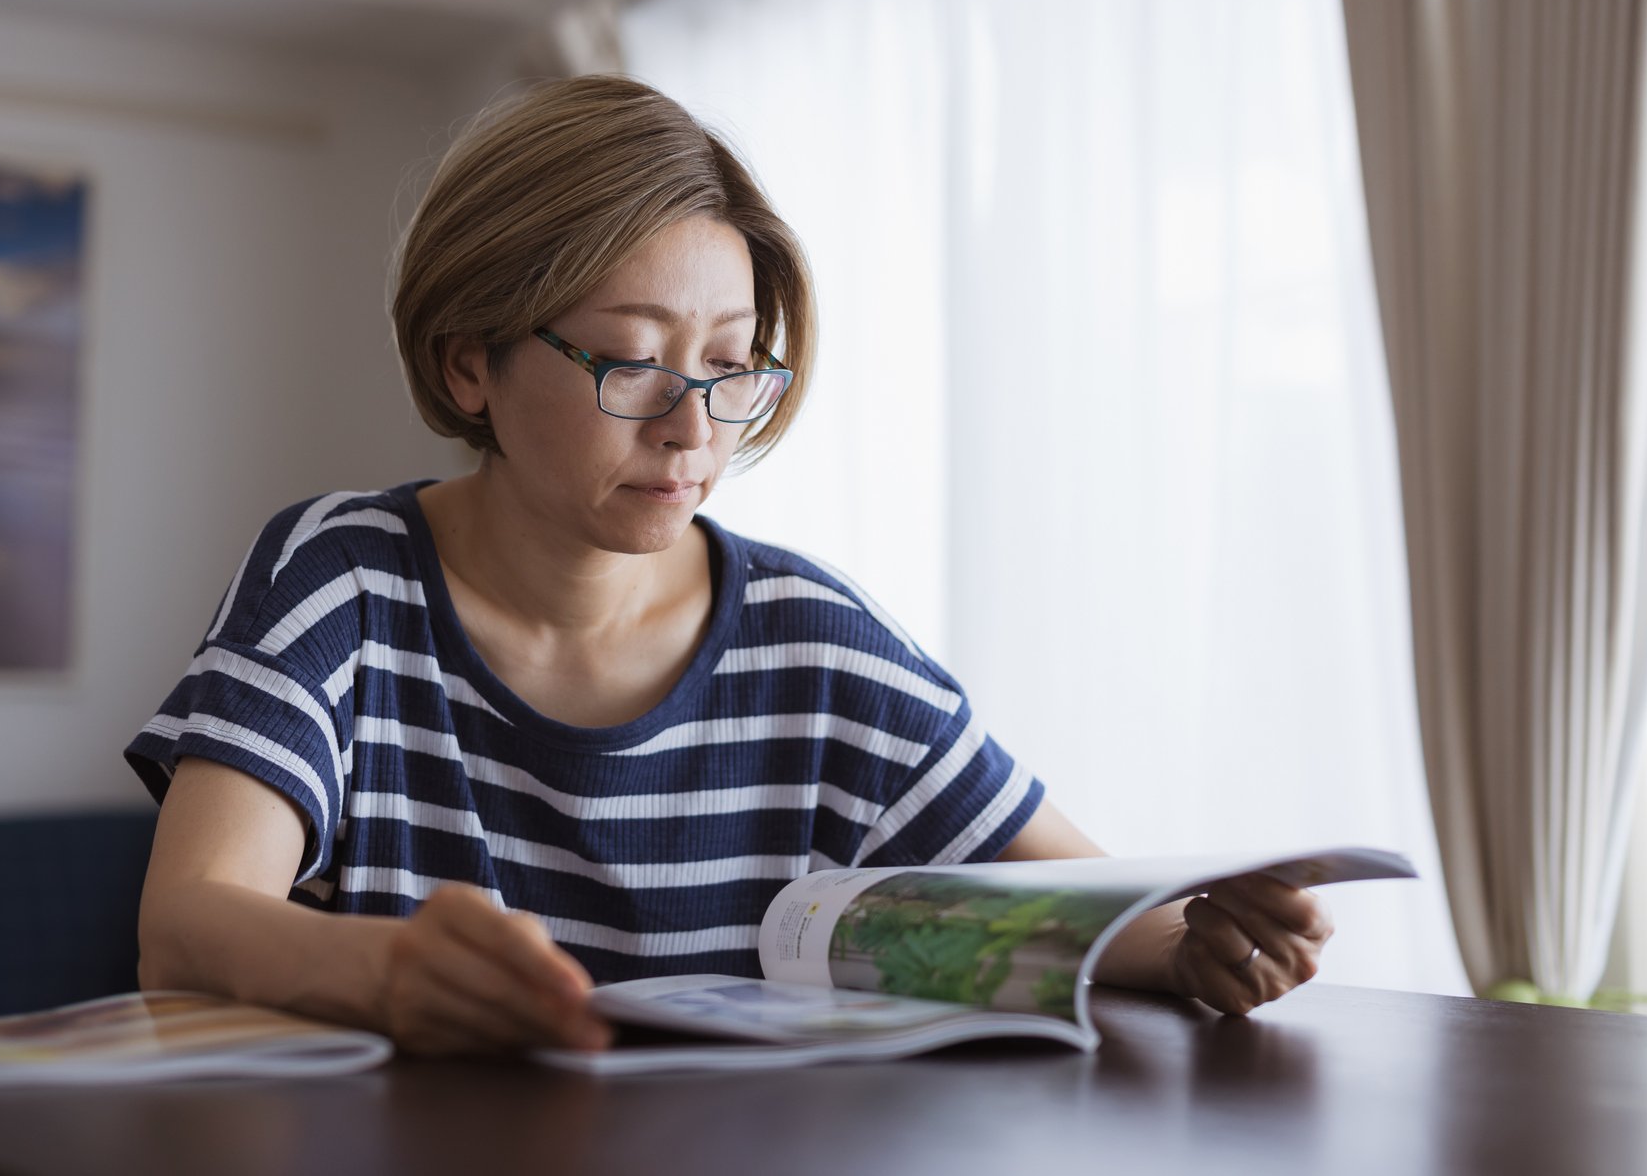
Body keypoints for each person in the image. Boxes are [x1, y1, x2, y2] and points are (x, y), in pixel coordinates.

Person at [126, 75, 1334, 1057]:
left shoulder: (813, 640)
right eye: (631, 361)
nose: (693, 427)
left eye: (730, 365)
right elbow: (186, 924)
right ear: (467, 364)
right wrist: (390, 970)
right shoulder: (342, 578)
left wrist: (1199, 943)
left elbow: (1080, 906)